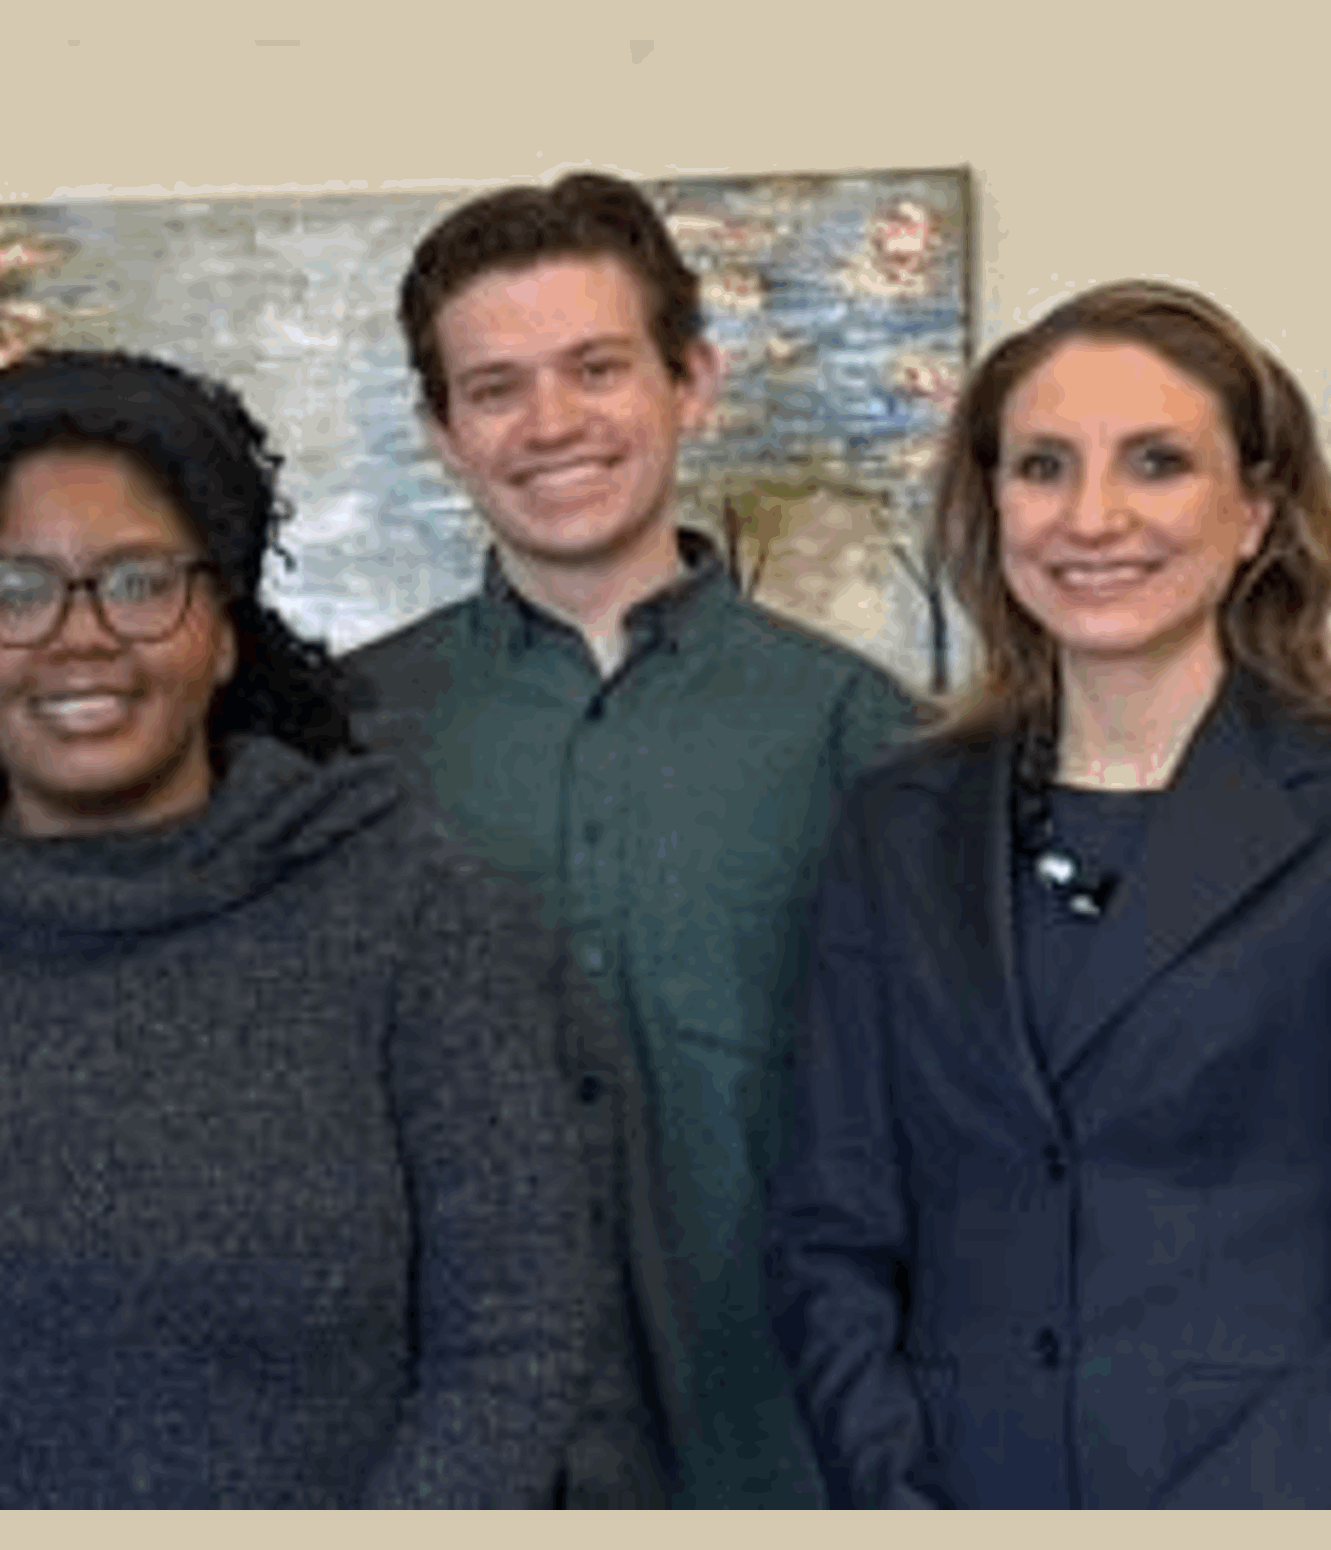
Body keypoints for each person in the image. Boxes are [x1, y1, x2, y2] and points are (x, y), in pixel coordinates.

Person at [0, 350, 588, 1507]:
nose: (81, 636)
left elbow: (510, 1343)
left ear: (220, 627)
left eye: (137, 581)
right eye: (16, 589)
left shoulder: (402, 902)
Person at [343, 171, 919, 1507]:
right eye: (493, 388)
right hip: (448, 1456)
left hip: (775, 1442)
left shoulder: (860, 729)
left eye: (596, 366)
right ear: (440, 430)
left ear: (692, 380)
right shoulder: (344, 735)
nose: (550, 424)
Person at [768, 281, 1331, 1509]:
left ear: (1255, 512)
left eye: (1155, 463)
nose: (1092, 516)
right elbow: (831, 1225)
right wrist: (892, 1489)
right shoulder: (897, 821)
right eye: (1041, 465)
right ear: (991, 504)